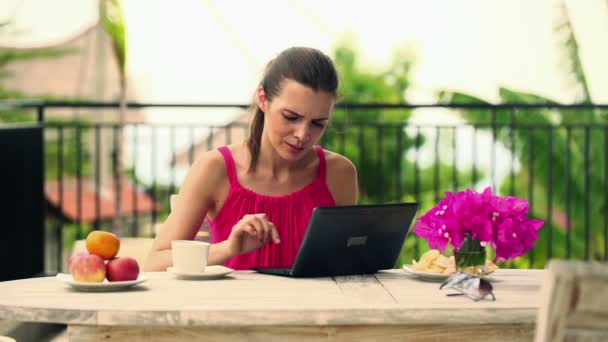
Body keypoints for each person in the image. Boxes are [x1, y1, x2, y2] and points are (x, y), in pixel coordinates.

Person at [143, 47, 358, 271]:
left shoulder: (339, 173)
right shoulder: (215, 169)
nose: (303, 135)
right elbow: (154, 263)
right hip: (234, 305)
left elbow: (347, 261)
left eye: (318, 123)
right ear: (263, 99)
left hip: (318, 305)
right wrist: (228, 248)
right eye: (291, 117)